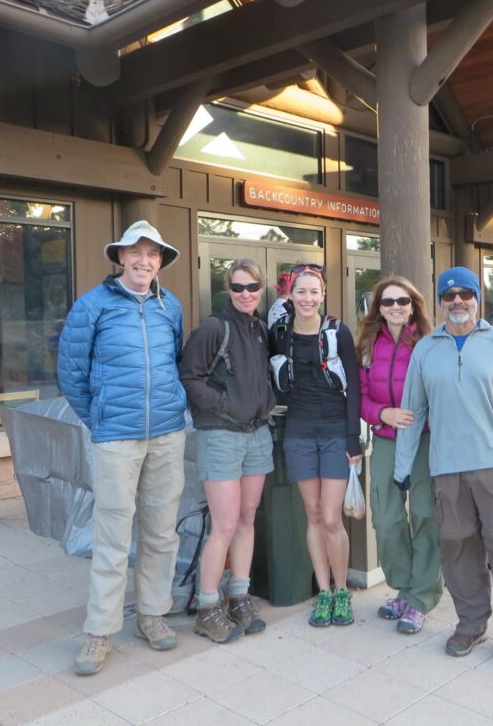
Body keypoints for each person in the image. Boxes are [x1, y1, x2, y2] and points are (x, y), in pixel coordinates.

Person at [394, 266, 493, 674]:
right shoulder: (426, 350)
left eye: (465, 293)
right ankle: (471, 624)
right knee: (458, 549)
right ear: (441, 301)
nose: (457, 301)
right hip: (447, 469)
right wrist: (402, 466)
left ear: (477, 298)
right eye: (449, 295)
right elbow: (413, 411)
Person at [58, 221, 188, 676]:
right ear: (120, 258)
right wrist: (101, 418)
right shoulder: (92, 305)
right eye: (136, 252)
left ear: (160, 262)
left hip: (167, 433)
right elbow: (71, 372)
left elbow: (174, 360)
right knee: (112, 536)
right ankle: (100, 630)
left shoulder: (169, 306)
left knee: (160, 532)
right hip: (116, 437)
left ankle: (151, 614)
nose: (144, 260)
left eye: (152, 254)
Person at [358, 276, 493, 634]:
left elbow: (468, 378)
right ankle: (403, 584)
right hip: (386, 440)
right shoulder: (366, 345)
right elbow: (360, 397)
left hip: (428, 441)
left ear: (414, 305)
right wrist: (381, 413)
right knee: (386, 518)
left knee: (427, 516)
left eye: (403, 301)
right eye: (387, 302)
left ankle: (421, 597)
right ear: (378, 308)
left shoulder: (432, 344)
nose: (395, 307)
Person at [179, 258, 277, 643]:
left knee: (247, 517)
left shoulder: (259, 329)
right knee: (223, 523)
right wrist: (224, 405)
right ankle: (207, 606)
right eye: (237, 288)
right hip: (220, 434)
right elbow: (190, 378)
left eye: (252, 287)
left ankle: (239, 595)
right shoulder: (212, 328)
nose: (246, 294)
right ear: (227, 290)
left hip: (256, 434)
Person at [269, 264, 362, 627]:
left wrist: (353, 438)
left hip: (337, 431)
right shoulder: (280, 332)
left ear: (323, 295)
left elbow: (353, 384)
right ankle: (323, 592)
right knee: (312, 516)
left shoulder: (339, 332)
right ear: (290, 295)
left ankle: (342, 591)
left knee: (330, 517)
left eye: (314, 292)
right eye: (301, 291)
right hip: (299, 432)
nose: (307, 298)